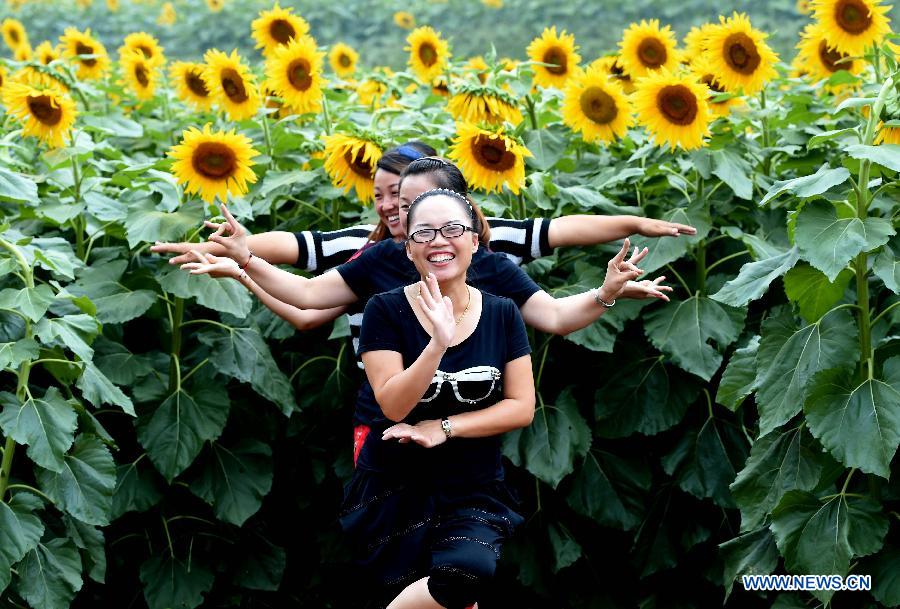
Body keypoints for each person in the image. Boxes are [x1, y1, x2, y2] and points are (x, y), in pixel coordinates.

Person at [343, 189, 640, 608]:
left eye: (452, 229)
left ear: (474, 241)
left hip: (472, 486)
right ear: (409, 249)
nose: (438, 241)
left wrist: (444, 427)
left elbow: (521, 407)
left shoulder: (502, 313)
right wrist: (436, 345)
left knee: (466, 572)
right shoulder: (385, 310)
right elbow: (393, 405)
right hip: (394, 487)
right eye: (423, 232)